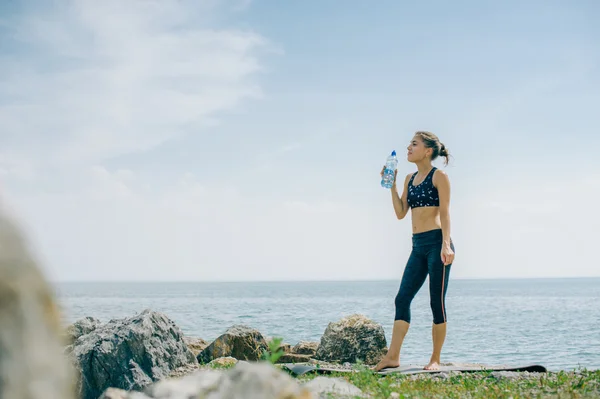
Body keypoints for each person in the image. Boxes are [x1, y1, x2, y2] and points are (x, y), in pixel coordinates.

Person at [375, 130, 455, 372]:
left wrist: (445, 244)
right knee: (402, 298)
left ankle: (435, 359)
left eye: (414, 144)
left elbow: (445, 213)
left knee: (436, 302)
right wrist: (392, 186)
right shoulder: (410, 178)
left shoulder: (438, 176)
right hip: (417, 246)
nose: (408, 148)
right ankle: (392, 356)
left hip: (437, 244)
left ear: (428, 151)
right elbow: (401, 213)